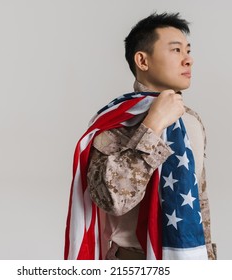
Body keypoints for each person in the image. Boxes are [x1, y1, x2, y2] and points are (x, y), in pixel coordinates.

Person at [64, 12, 216, 260]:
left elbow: (200, 204)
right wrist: (152, 126)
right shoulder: (117, 121)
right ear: (142, 61)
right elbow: (112, 200)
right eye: (176, 50)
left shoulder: (191, 121)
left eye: (188, 50)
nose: (189, 60)